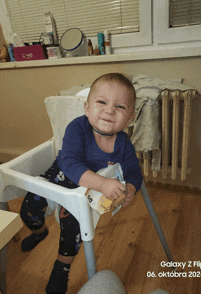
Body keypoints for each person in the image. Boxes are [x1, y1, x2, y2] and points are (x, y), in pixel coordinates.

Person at [20, 73, 143, 294]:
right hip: (58, 179)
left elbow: (134, 170)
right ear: (87, 108)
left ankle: (62, 267)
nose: (109, 110)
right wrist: (104, 184)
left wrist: (132, 187)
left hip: (84, 193)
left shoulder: (123, 144)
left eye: (120, 107)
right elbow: (69, 163)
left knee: (74, 229)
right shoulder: (78, 128)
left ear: (130, 118)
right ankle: (39, 232)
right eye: (102, 102)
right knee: (28, 209)